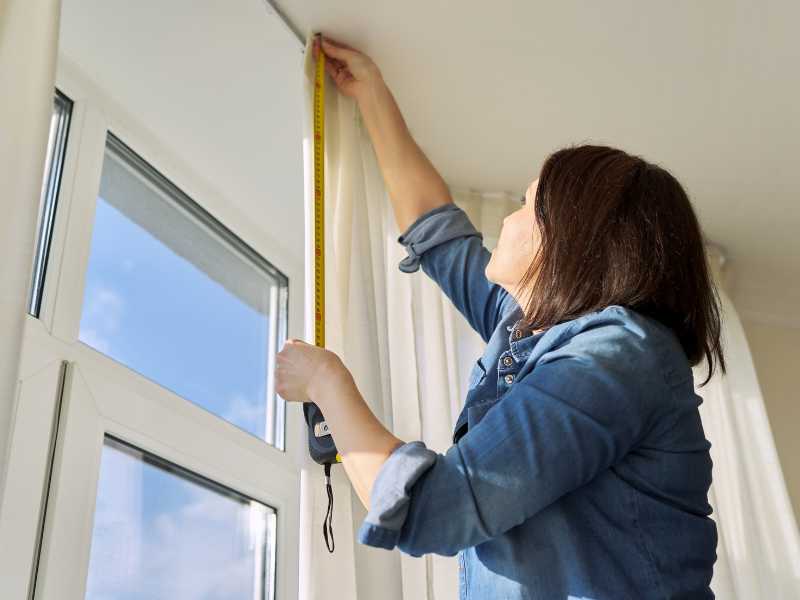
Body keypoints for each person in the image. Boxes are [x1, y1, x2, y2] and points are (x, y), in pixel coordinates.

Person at [275, 33, 724, 599]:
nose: (508, 223)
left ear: (568, 242)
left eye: (525, 205)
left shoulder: (615, 354)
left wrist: (326, 381)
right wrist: (373, 97)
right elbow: (440, 237)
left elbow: (433, 509)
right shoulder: (532, 335)